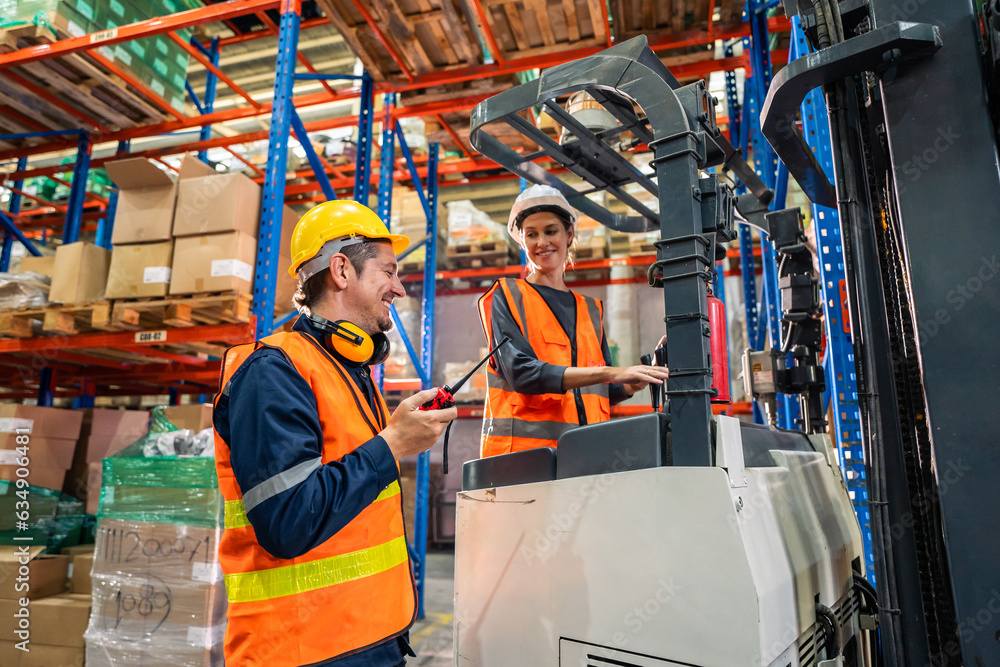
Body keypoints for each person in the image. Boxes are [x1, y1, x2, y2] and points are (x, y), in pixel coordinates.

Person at [213, 200, 457, 667]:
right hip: (302, 649)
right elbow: (288, 522)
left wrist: (394, 435)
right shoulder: (273, 372)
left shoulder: (345, 367)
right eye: (388, 272)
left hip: (365, 638)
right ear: (342, 270)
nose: (399, 288)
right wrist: (392, 445)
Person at [478, 185, 669, 457]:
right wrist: (612, 372)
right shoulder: (507, 296)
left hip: (585, 455)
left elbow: (597, 391)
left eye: (551, 231)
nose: (541, 242)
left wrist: (635, 380)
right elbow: (522, 372)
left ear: (569, 234)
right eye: (531, 234)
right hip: (524, 459)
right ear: (522, 241)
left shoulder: (590, 310)